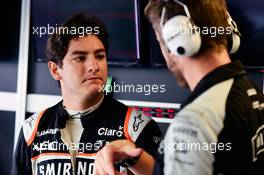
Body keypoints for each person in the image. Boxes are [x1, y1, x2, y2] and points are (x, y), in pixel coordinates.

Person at [94, 0, 264, 174]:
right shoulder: (251, 92)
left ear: (179, 40)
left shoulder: (195, 122)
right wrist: (133, 158)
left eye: (161, 41)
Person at [11, 13, 162, 175]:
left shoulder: (138, 128)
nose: (94, 66)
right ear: (55, 70)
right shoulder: (31, 129)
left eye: (100, 56)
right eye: (80, 58)